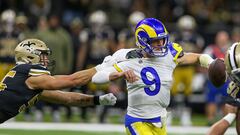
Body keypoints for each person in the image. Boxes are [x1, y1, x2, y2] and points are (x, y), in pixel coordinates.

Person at [91, 18, 214, 135]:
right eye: (155, 41)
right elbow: (96, 78)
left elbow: (197, 57)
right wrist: (119, 74)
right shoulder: (131, 59)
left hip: (160, 119)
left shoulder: (170, 55)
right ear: (143, 41)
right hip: (138, 120)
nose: (160, 44)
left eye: (162, 40)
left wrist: (212, 63)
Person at [0, 38, 136, 124]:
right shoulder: (29, 72)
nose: (46, 60)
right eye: (43, 55)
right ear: (30, 56)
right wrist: (101, 67)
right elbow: (73, 81)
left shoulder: (28, 80)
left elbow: (67, 98)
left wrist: (97, 100)